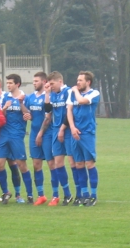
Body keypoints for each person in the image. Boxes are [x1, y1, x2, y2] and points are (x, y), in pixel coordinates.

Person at [0, 74, 33, 204]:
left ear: (18, 84)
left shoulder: (25, 98)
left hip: (17, 135)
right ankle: (6, 192)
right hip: (4, 134)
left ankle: (29, 194)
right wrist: (5, 108)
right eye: (7, 83)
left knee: (21, 165)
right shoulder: (4, 97)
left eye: (11, 83)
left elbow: (28, 114)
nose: (8, 85)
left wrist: (21, 104)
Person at [0, 75, 24, 203]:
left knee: (13, 163)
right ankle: (1, 192)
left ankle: (18, 194)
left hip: (8, 135)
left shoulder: (4, 97)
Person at [67, 71, 100, 206]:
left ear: (88, 82)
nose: (78, 82)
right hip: (75, 133)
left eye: (81, 80)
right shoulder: (72, 94)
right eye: (77, 80)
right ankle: (84, 195)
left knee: (89, 164)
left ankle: (93, 195)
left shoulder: (94, 93)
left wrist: (75, 91)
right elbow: (69, 111)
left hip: (87, 133)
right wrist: (72, 128)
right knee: (78, 164)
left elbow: (81, 101)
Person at [23, 72, 56, 206]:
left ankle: (55, 195)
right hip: (34, 134)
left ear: (44, 81)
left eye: (36, 81)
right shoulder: (30, 97)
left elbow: (48, 117)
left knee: (51, 164)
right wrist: (26, 114)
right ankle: (41, 195)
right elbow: (30, 114)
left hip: (46, 134)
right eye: (33, 81)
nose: (34, 83)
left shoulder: (49, 97)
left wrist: (41, 133)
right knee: (36, 164)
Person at [44, 71, 74, 206]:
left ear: (60, 81)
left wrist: (63, 128)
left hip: (67, 130)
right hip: (56, 130)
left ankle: (81, 193)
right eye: (49, 84)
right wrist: (47, 93)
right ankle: (67, 194)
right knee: (58, 163)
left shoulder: (68, 92)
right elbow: (48, 109)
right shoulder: (53, 95)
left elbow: (70, 112)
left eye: (52, 84)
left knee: (74, 162)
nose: (51, 86)